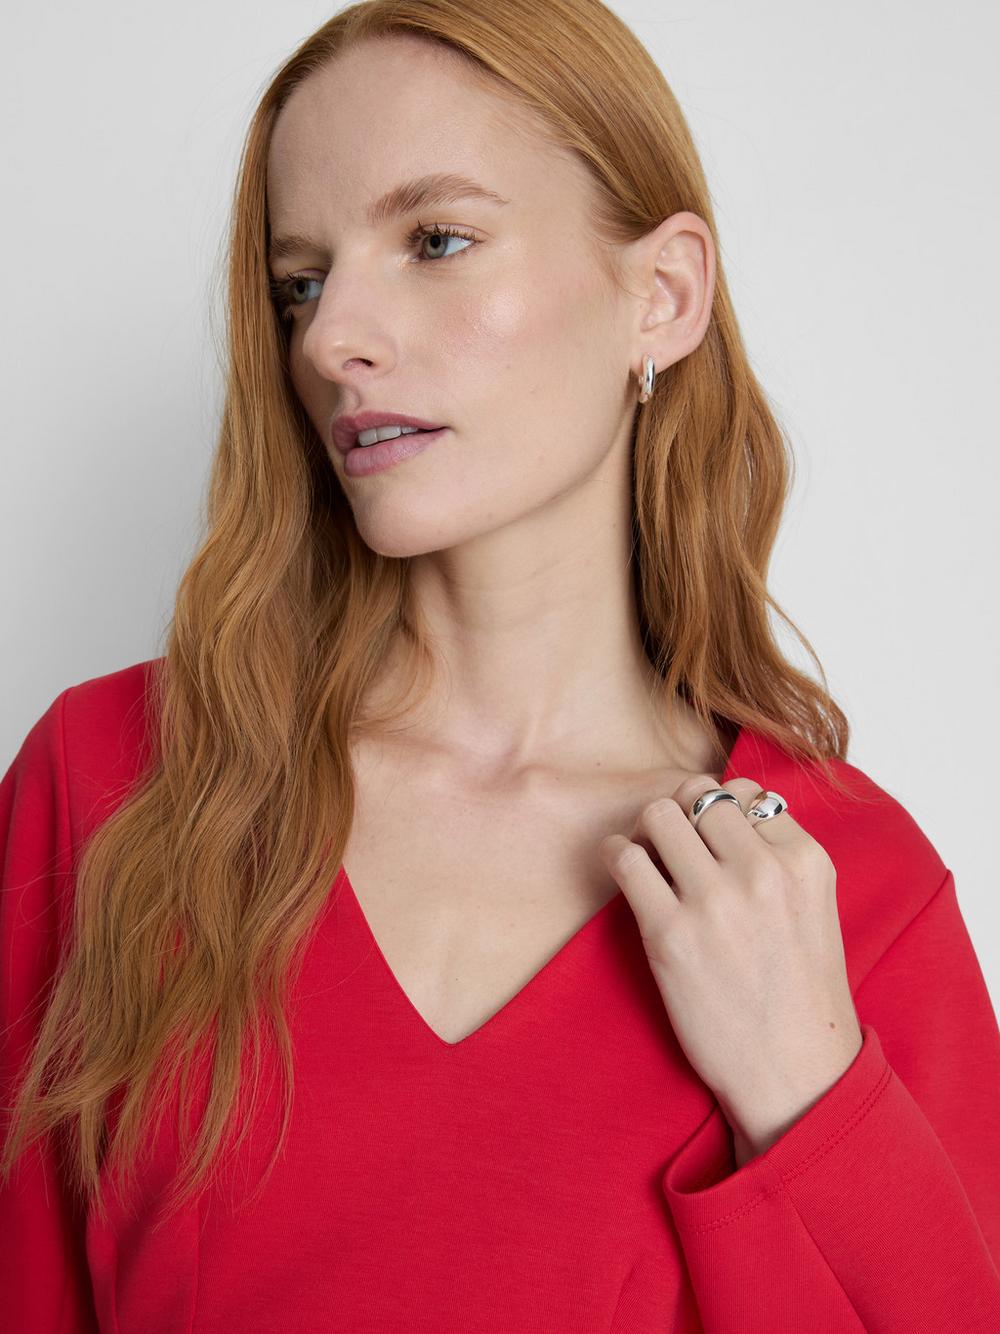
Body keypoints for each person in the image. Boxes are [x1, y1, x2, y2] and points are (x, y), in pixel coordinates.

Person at [2, 1, 998, 1329]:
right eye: (302, 281)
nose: (331, 338)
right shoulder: (113, 783)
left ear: (662, 296)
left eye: (436, 241)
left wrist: (809, 1094)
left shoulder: (850, 894)